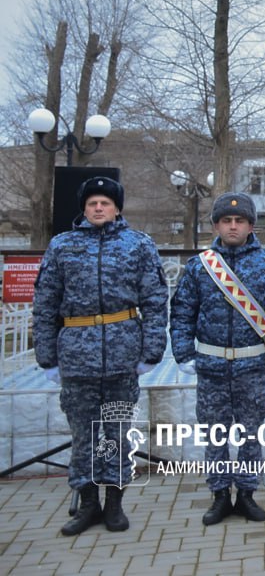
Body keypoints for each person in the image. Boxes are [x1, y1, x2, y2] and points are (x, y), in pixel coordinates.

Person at [34, 177, 167, 535]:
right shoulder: (62, 246)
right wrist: (47, 357)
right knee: (83, 435)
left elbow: (155, 301)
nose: (98, 208)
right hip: (77, 356)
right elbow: (45, 304)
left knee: (118, 432)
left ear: (117, 208)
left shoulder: (138, 245)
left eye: (105, 203)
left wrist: (152, 351)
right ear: (84, 207)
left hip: (123, 356)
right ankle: (87, 505)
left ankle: (115, 505)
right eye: (92, 202)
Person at [170, 192, 265, 524]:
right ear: (216, 224)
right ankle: (218, 495)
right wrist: (184, 353)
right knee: (215, 435)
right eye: (226, 221)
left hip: (252, 366)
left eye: (239, 221)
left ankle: (246, 494)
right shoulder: (200, 266)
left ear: (250, 225)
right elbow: (182, 313)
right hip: (211, 366)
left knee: (250, 434)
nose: (232, 226)